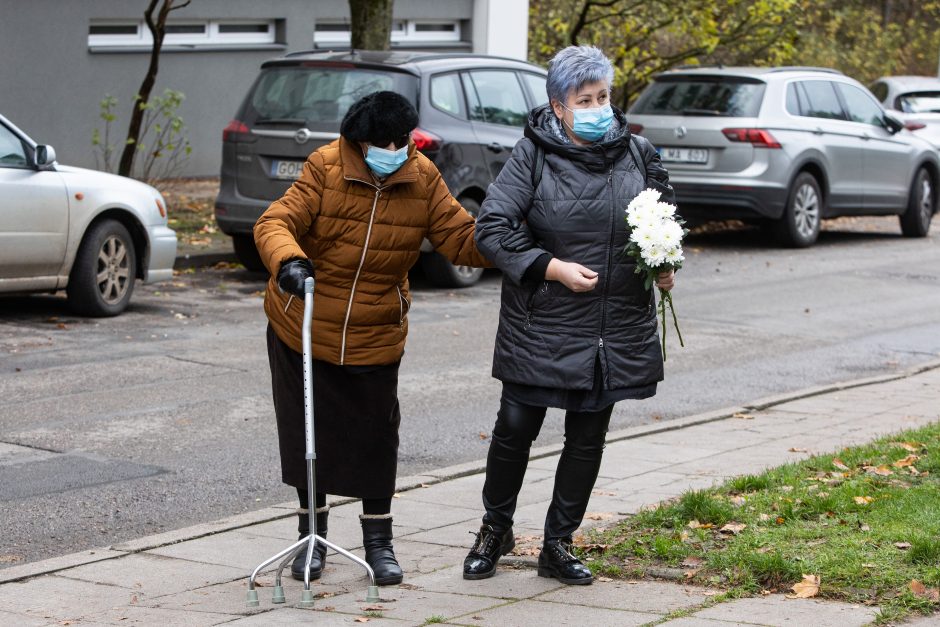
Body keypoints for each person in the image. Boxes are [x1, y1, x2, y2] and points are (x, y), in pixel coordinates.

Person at [255, 91, 512, 586]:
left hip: (376, 332)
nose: (394, 149)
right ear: (359, 140)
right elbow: (276, 221)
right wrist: (288, 261)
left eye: (402, 141)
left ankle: (379, 543)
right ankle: (312, 538)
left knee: (376, 438)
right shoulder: (326, 166)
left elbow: (458, 238)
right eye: (382, 142)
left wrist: (510, 244)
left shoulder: (422, 177)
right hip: (304, 324)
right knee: (309, 436)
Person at [463, 45, 677, 586]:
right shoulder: (532, 155)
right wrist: (551, 267)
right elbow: (491, 229)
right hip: (542, 321)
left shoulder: (638, 154)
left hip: (611, 327)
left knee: (588, 436)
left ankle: (558, 543)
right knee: (515, 429)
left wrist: (666, 262)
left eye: (604, 95)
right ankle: (495, 529)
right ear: (559, 106)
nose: (599, 106)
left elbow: (665, 218)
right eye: (586, 99)